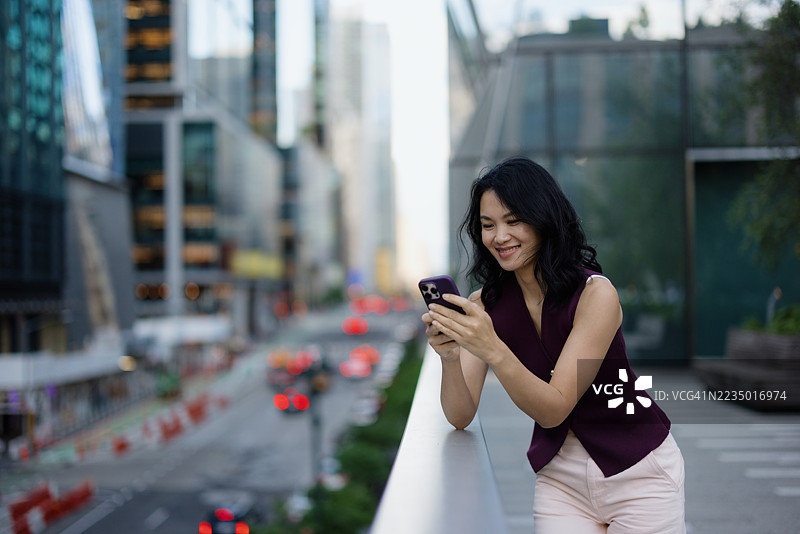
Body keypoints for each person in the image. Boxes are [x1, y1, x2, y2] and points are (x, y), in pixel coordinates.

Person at [422, 156, 685, 533]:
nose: (500, 237)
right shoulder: (487, 304)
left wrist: (490, 345)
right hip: (561, 479)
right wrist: (450, 356)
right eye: (488, 225)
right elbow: (460, 415)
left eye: (514, 221)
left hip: (640, 471)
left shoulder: (597, 295)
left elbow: (555, 407)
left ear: (544, 220)